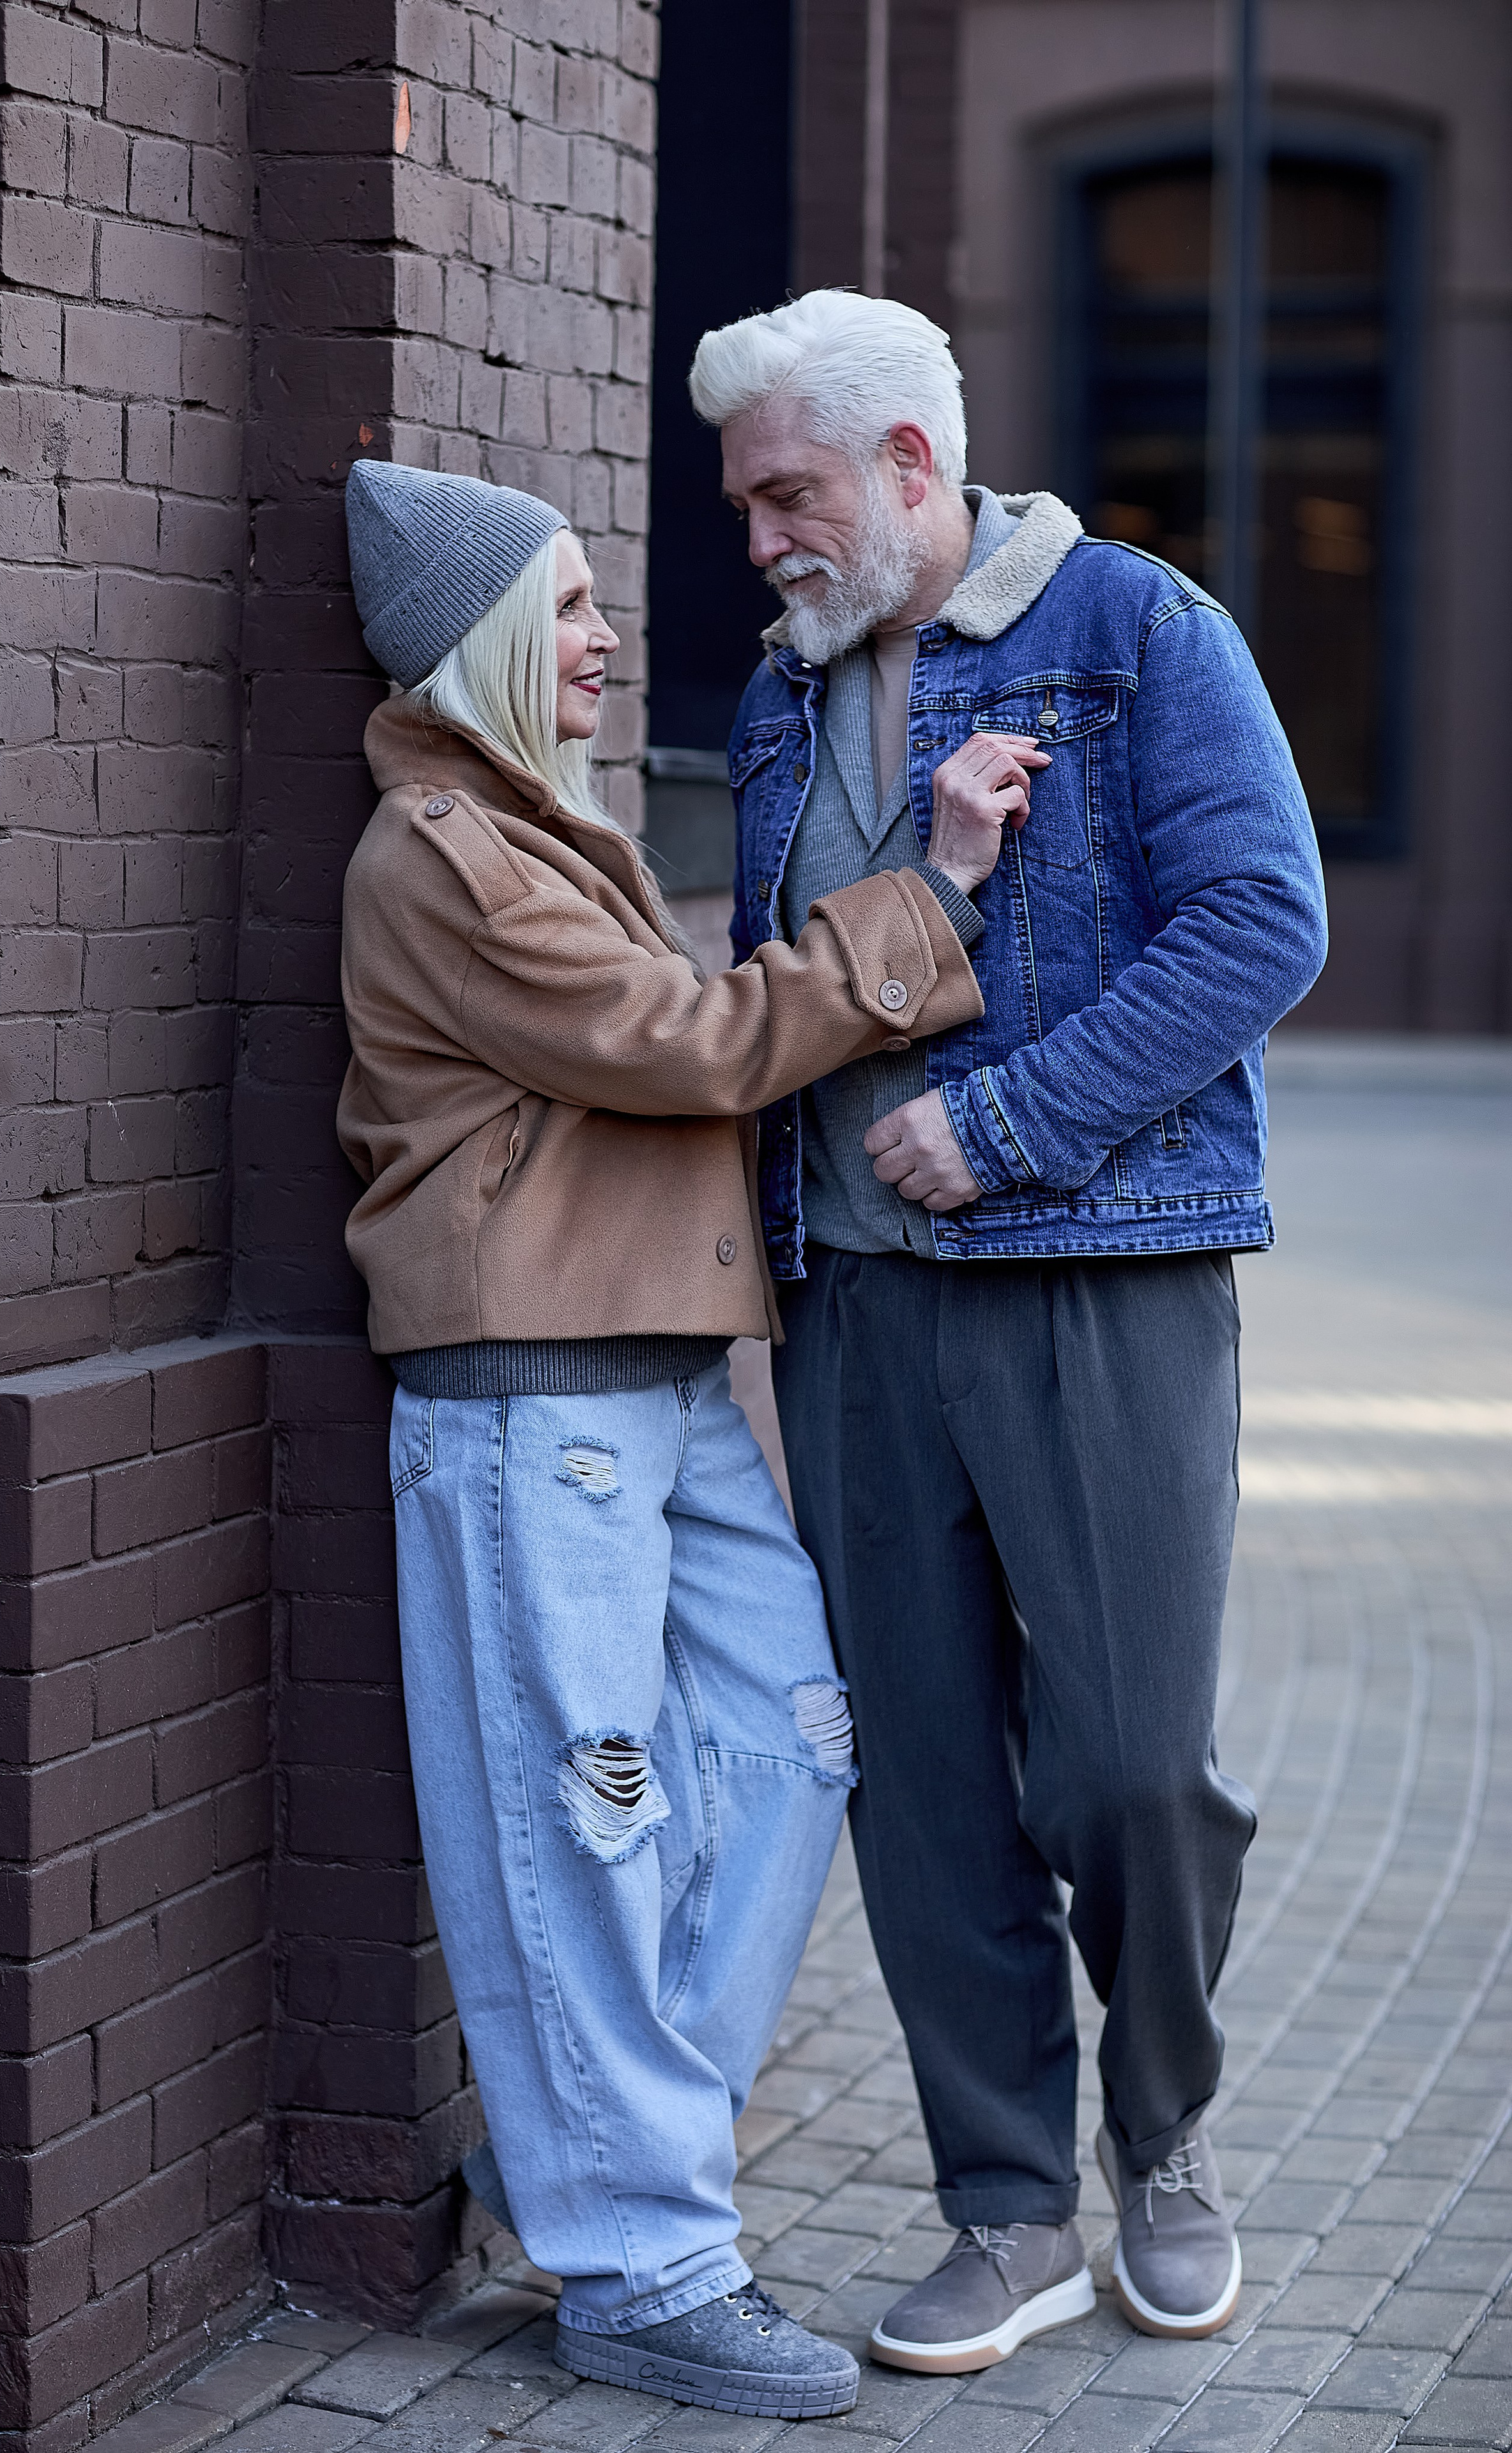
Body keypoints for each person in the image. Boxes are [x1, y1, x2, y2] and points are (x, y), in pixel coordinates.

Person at [335, 459, 1020, 2417]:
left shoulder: (541, 828)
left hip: (656, 1369)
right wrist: (934, 899)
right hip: (530, 1396)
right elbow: (693, 1045)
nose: (606, 637)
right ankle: (640, 2263)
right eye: (563, 613)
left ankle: (618, 2154)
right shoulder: (447, 855)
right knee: (587, 1816)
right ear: (482, 646)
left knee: (797, 1736)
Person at [689, 290, 1329, 2373]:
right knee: (930, 1786)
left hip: (1099, 1285)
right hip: (854, 1316)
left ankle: (1165, 2140)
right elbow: (779, 986)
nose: (763, 536)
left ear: (902, 467)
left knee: (1135, 1767)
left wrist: (1023, 1122)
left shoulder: (1138, 631)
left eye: (788, 491)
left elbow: (1264, 921)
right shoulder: (782, 695)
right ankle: (1007, 2203)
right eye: (744, 502)